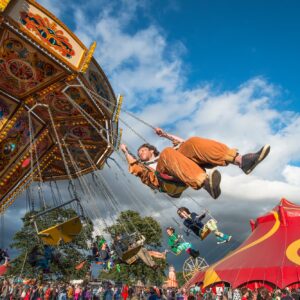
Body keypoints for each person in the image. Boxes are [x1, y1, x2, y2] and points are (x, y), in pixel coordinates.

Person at [120, 127, 270, 199]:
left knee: (192, 142)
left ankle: (241, 161)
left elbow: (183, 143)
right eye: (139, 153)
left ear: (151, 150)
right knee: (168, 153)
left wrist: (164, 134)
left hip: (182, 169)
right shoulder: (145, 167)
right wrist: (126, 151)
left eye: (143, 150)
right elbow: (134, 167)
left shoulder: (168, 155)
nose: (140, 153)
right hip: (167, 183)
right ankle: (205, 182)